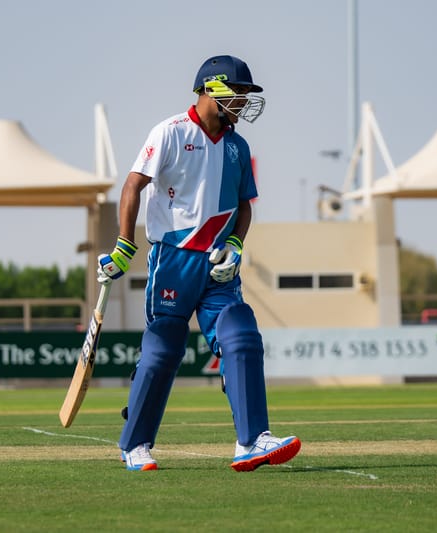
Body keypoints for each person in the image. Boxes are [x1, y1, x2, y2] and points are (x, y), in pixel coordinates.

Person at [97, 54, 301, 472]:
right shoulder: (170, 132)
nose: (244, 101)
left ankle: (252, 441)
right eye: (239, 92)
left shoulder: (238, 147)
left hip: (218, 265)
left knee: (242, 336)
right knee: (163, 350)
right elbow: (133, 185)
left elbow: (245, 206)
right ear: (213, 88)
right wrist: (124, 245)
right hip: (173, 259)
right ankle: (135, 444)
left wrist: (236, 245)